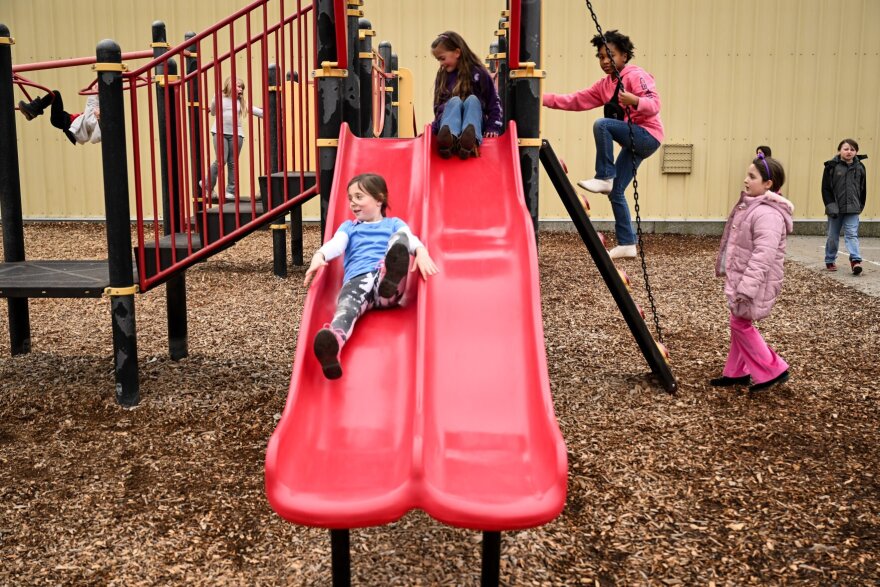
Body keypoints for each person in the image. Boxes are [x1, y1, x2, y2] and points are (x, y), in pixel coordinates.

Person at [303, 173, 438, 379]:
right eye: (350, 198)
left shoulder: (393, 223)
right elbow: (336, 244)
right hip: (357, 282)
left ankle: (390, 274)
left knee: (400, 239)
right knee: (346, 309)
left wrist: (421, 252)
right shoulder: (348, 227)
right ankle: (333, 346)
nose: (353, 203)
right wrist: (319, 255)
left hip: (385, 284)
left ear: (379, 199)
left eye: (359, 197)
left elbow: (410, 238)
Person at [542, 30, 663, 259]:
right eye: (601, 57)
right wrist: (542, 99)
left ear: (624, 56)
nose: (605, 61)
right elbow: (575, 100)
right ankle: (627, 243)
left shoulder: (635, 76)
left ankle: (604, 176)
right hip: (634, 139)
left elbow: (655, 104)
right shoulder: (605, 85)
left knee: (603, 125)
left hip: (648, 135)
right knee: (617, 191)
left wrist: (635, 100)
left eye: (611, 56)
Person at [710, 154, 792, 393]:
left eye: (752, 176)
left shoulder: (767, 214)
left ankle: (773, 369)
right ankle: (737, 373)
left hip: (756, 282)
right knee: (739, 320)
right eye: (747, 175)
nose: (746, 180)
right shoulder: (753, 207)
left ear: (768, 184)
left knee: (740, 323)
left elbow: (763, 256)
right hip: (745, 278)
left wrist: (746, 288)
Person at [430, 31, 503, 160]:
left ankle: (470, 139)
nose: (441, 63)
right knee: (454, 102)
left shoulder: (479, 73)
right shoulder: (442, 76)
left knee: (473, 100)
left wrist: (493, 126)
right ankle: (449, 139)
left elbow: (494, 102)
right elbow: (438, 107)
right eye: (438, 60)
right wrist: (434, 128)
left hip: (473, 122)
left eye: (442, 58)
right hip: (449, 124)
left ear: (457, 53)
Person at [205, 77, 263, 201]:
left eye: (242, 87)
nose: (241, 89)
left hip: (237, 135)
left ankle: (230, 191)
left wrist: (270, 111)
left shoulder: (240, 101)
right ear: (230, 86)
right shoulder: (219, 97)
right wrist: (214, 101)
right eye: (238, 86)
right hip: (219, 132)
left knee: (232, 163)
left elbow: (254, 110)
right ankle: (207, 185)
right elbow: (213, 113)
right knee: (221, 161)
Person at [821, 138, 867, 274]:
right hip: (835, 208)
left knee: (852, 234)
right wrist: (830, 206)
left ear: (856, 152)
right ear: (839, 150)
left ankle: (855, 261)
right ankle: (830, 260)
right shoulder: (831, 166)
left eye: (852, 149)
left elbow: (863, 188)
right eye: (846, 149)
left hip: (853, 208)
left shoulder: (860, 167)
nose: (849, 152)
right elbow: (826, 189)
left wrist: (861, 205)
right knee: (832, 236)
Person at [18, 90, 101, 145]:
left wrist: (94, 93)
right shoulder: (95, 118)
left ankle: (34, 109)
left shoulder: (95, 121)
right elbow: (93, 105)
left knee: (55, 94)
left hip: (63, 121)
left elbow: (91, 106)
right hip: (64, 120)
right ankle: (32, 112)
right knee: (55, 95)